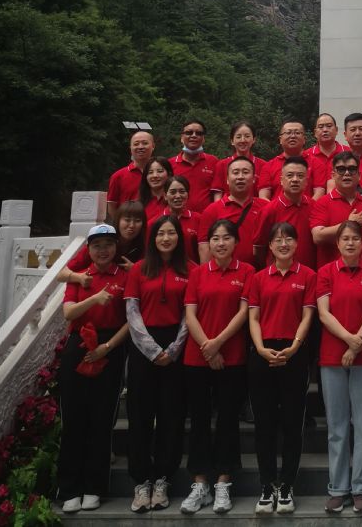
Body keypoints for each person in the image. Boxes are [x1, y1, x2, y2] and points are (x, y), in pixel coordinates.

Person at [181, 219, 254, 515]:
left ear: (236, 242)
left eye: (226, 238)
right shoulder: (198, 273)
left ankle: (224, 481)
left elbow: (243, 312)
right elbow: (190, 315)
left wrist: (218, 343)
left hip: (232, 356)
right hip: (196, 357)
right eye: (215, 238)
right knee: (199, 419)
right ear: (208, 243)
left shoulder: (246, 272)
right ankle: (200, 483)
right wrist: (207, 347)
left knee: (227, 419)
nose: (220, 243)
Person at [124, 215, 193, 513]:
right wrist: (152, 350)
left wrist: (174, 349)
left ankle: (163, 478)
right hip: (143, 347)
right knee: (140, 415)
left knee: (171, 415)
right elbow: (132, 311)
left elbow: (190, 314)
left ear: (179, 237)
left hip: (176, 346)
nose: (166, 238)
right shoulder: (139, 269)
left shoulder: (190, 270)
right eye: (161, 233)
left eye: (171, 233)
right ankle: (141, 481)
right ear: (152, 238)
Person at [58, 224, 129, 514]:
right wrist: (93, 297)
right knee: (74, 419)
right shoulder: (80, 275)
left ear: (116, 247)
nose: (103, 251)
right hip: (79, 344)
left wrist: (107, 347)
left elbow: (130, 320)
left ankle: (94, 487)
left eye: (108, 245)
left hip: (110, 346)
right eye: (97, 245)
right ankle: (69, 488)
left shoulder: (124, 276)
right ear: (88, 249)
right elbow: (68, 313)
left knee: (101, 420)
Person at [248, 221, 317, 514]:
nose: (283, 244)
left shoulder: (308, 276)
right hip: (262, 353)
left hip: (294, 353)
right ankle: (267, 485)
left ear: (297, 243)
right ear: (270, 246)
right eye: (277, 240)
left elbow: (307, 315)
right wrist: (261, 348)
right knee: (264, 424)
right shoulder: (258, 278)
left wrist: (295, 346)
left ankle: (286, 485)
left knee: (292, 423)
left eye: (288, 238)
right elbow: (253, 317)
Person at [317, 221, 362, 513]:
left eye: (355, 238)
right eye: (345, 238)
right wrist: (349, 341)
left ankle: (361, 488)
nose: (350, 243)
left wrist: (357, 346)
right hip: (332, 357)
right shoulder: (325, 272)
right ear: (337, 243)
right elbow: (323, 313)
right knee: (337, 426)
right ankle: (338, 487)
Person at [198, 155, 270, 267]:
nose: (240, 177)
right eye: (235, 172)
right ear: (227, 179)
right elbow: (205, 249)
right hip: (225, 272)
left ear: (254, 178)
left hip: (259, 272)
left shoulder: (266, 207)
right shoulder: (212, 211)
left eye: (245, 172)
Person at [311, 151, 362, 269]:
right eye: (341, 169)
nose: (347, 173)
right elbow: (317, 236)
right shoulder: (322, 203)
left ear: (359, 175)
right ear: (333, 175)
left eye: (352, 169)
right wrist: (349, 223)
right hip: (330, 275)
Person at [61, 200, 147, 284]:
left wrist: (136, 270)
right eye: (127, 220)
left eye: (137, 221)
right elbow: (61, 274)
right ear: (118, 220)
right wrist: (80, 278)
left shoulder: (145, 248)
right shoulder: (99, 243)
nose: (132, 225)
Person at [260, 156, 317, 269]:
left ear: (306, 181)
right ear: (281, 180)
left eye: (300, 176)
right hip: (278, 273)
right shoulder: (269, 210)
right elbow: (260, 247)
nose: (295, 179)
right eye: (290, 175)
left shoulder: (314, 207)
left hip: (309, 273)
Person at [209, 120, 269, 202]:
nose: (243, 140)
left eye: (247, 136)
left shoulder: (264, 165)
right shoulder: (222, 165)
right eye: (238, 137)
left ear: (254, 139)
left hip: (255, 208)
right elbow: (218, 195)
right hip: (228, 208)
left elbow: (264, 195)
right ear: (232, 141)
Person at [264, 121, 324, 201]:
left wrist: (307, 208)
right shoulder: (268, 166)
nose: (292, 136)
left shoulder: (317, 163)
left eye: (297, 133)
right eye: (288, 133)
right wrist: (277, 208)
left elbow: (319, 192)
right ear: (280, 139)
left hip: (308, 208)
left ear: (304, 139)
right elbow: (264, 196)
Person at [169, 120, 218, 213]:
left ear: (203, 139)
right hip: (178, 217)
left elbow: (218, 192)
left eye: (198, 133)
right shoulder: (170, 164)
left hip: (207, 217)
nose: (194, 136)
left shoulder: (213, 161)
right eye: (189, 132)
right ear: (181, 138)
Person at [107, 129, 156, 221]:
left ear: (153, 146)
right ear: (130, 148)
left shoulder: (161, 174)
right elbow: (112, 206)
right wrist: (122, 224)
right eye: (136, 144)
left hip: (157, 225)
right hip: (131, 226)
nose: (140, 147)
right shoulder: (118, 176)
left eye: (145, 143)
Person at [306, 112, 350, 192]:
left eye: (329, 126)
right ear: (315, 133)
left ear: (336, 130)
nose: (325, 130)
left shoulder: (349, 153)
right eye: (321, 127)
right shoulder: (306, 156)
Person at [164, 175, 201, 262]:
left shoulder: (199, 219)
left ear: (188, 195)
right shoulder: (155, 221)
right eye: (173, 192)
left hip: (192, 268)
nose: (178, 196)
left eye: (182, 191)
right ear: (165, 196)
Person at [138, 156, 173, 226]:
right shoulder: (138, 205)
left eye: (160, 171)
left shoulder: (175, 201)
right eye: (150, 172)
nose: (155, 175)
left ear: (169, 174)